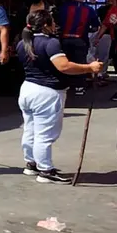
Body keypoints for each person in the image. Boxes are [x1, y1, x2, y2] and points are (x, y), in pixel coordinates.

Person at [17, 10, 102, 184]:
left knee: (31, 129)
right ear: (46, 25)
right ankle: (45, 170)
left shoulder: (22, 43)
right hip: (46, 93)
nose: (55, 25)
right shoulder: (51, 43)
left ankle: (31, 163)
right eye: (53, 22)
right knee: (44, 134)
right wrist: (89, 68)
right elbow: (64, 66)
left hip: (28, 89)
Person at [56, 0, 99, 95]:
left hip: (64, 40)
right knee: (80, 63)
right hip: (80, 40)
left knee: (64, 62)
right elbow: (95, 27)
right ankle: (79, 87)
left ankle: (65, 84)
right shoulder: (89, 10)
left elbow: (57, 23)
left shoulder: (63, 8)